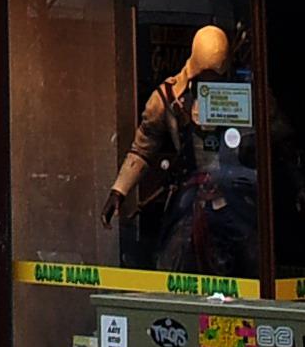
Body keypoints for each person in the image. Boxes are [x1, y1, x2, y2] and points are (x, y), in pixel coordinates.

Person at [102, 24, 252, 274]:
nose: (210, 82)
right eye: (205, 76)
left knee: (252, 255)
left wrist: (299, 184)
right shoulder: (169, 97)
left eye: (215, 77)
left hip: (235, 193)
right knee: (172, 259)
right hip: (191, 196)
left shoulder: (246, 95)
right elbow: (143, 147)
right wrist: (119, 191)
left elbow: (279, 136)